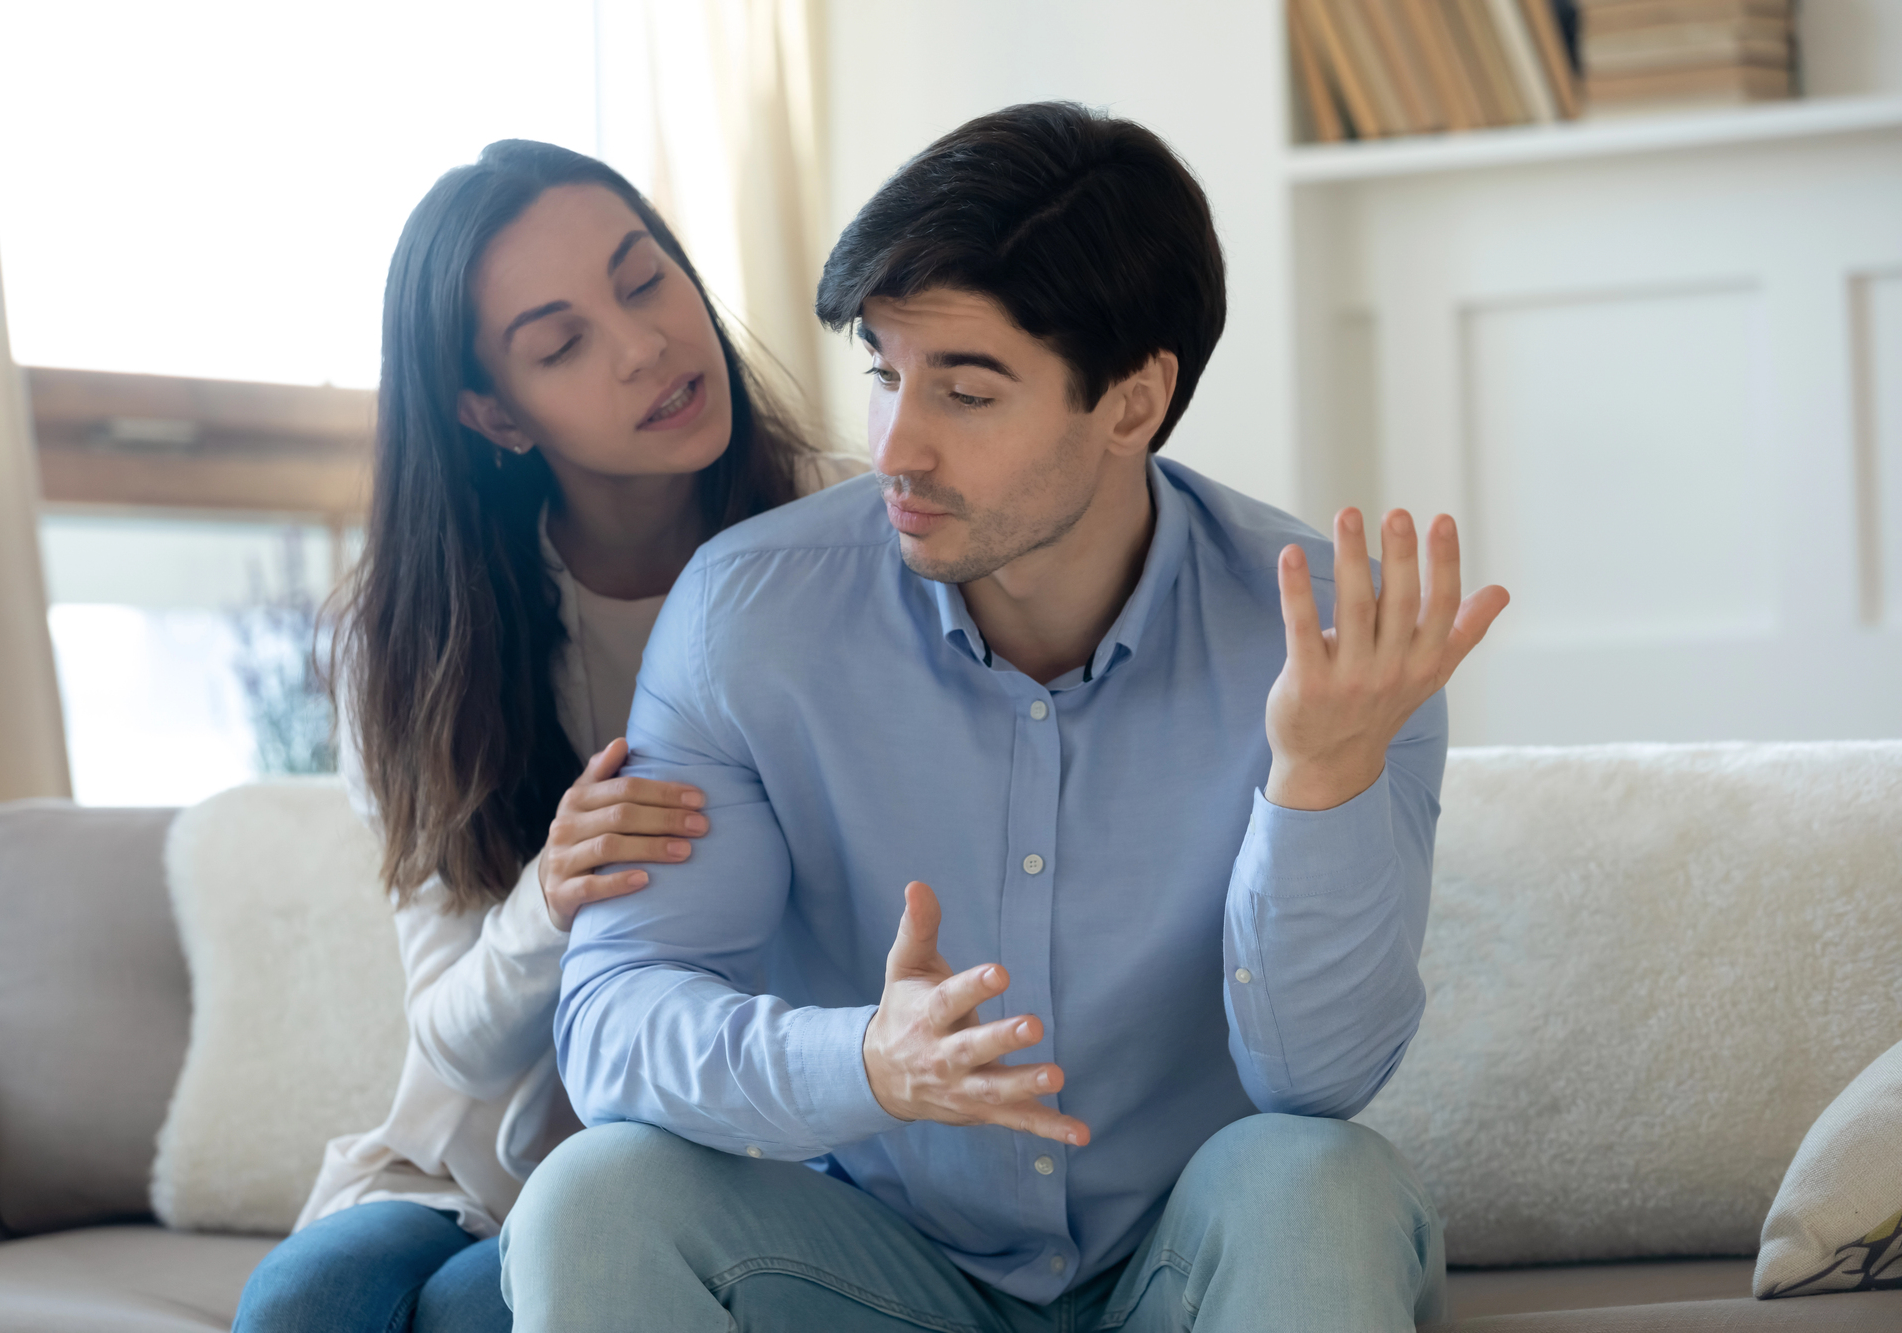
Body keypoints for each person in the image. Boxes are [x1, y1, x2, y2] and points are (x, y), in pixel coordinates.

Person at [500, 103, 1511, 1332]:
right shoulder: (749, 615)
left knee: (1318, 1179)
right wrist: (867, 1060)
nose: (894, 449)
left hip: (1183, 1271)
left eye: (965, 393)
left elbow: (1318, 1080)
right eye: (883, 373)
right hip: (878, 1271)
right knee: (592, 1200)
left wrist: (1317, 782)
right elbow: (616, 1020)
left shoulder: (1329, 649)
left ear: (1132, 403)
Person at [231, 139, 862, 1333]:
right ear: (490, 412)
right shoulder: (416, 637)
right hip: (473, 1147)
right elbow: (452, 1039)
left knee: (479, 1312)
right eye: (560, 342)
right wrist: (552, 894)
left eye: (645, 281)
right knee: (303, 1301)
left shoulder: (845, 540)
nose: (644, 347)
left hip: (720, 1141)